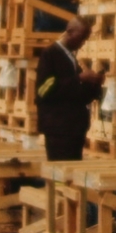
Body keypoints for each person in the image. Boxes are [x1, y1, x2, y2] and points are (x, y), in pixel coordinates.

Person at [35, 18, 106, 161]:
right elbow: (43, 90)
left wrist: (95, 84)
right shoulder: (50, 55)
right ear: (69, 32)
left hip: (74, 129)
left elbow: (77, 96)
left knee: (73, 172)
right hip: (58, 129)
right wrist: (79, 78)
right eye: (80, 38)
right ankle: (60, 185)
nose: (82, 43)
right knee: (60, 172)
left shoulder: (71, 59)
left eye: (85, 39)